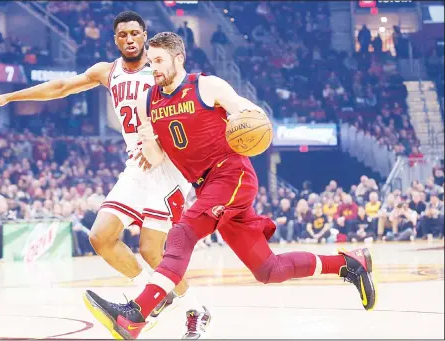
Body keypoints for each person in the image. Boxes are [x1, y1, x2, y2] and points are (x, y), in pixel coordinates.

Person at [83, 32, 377, 340]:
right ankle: (349, 264)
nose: (153, 67)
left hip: (232, 174)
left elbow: (249, 113)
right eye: (150, 61)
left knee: (183, 232)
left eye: (158, 61)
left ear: (178, 59)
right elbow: (157, 156)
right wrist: (146, 140)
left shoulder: (206, 85)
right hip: (206, 185)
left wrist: (250, 117)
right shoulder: (149, 100)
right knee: (269, 270)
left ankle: (135, 315)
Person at [0, 11, 206, 335]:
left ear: (145, 36)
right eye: (123, 34)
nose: (129, 39)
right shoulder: (106, 71)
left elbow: (190, 110)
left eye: (135, 33)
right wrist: (9, 96)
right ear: (115, 39)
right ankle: (153, 296)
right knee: (100, 237)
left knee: (151, 250)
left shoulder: (161, 69)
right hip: (136, 167)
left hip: (166, 168)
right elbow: (60, 87)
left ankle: (196, 308)